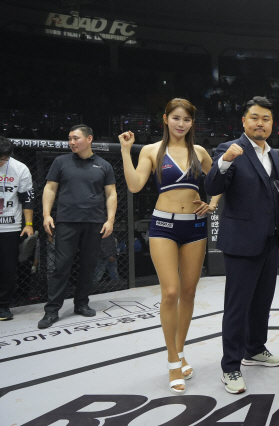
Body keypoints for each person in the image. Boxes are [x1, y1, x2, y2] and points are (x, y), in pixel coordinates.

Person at [120, 98, 219, 395]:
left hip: (195, 226)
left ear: (191, 123)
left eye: (186, 120)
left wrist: (212, 204)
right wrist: (126, 151)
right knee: (171, 292)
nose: (181, 123)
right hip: (163, 225)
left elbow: (218, 182)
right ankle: (172, 360)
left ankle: (180, 350)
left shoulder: (198, 152)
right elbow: (135, 185)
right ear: (165, 119)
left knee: (189, 291)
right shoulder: (152, 151)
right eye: (176, 118)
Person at [205, 96, 279, 395]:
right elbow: (212, 187)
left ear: (272, 123)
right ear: (244, 121)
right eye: (254, 117)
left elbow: (275, 195)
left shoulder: (274, 154)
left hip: (269, 239)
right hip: (242, 241)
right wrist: (226, 160)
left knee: (262, 302)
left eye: (265, 118)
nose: (260, 123)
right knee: (237, 307)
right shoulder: (229, 149)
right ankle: (230, 366)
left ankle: (255, 348)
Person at [40, 125, 117, 329]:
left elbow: (111, 194)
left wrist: (110, 220)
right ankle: (52, 310)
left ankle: (81, 304)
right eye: (69, 139)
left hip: (94, 222)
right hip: (67, 221)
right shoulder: (61, 162)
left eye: (76, 138)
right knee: (61, 266)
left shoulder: (103, 165)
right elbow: (50, 188)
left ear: (89, 138)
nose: (71, 142)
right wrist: (46, 214)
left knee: (88, 265)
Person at [0, 137, 35, 321]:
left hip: (10, 226)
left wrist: (28, 225)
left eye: (3, 159)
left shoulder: (20, 168)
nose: (0, 162)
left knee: (8, 268)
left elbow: (27, 199)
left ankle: (3, 306)